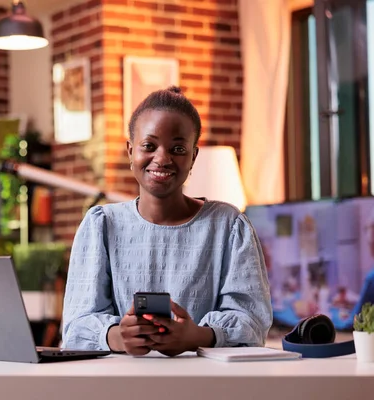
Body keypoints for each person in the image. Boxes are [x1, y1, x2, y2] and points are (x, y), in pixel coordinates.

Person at [61, 86, 273, 356]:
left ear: (193, 156)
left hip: (207, 385)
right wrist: (118, 336)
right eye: (149, 146)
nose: (162, 158)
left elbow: (252, 321)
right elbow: (75, 327)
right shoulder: (101, 226)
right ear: (130, 151)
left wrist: (196, 336)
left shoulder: (229, 226)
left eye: (178, 148)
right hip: (118, 385)